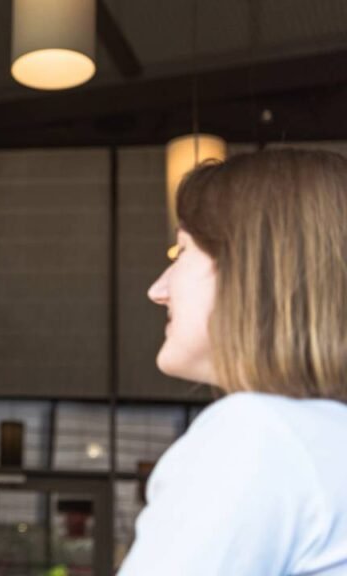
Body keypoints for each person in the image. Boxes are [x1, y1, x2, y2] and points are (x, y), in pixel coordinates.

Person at [119, 149, 347, 575]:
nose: (157, 290)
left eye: (181, 252)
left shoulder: (256, 436)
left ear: (250, 266)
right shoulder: (328, 440)